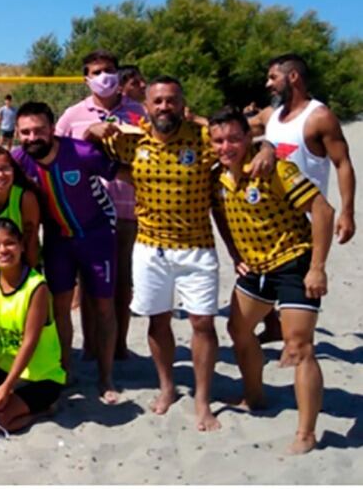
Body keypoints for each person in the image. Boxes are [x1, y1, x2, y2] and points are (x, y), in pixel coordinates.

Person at [85, 76, 275, 431]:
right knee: (157, 321)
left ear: (182, 103)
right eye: (157, 101)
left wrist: (268, 150)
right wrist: (95, 130)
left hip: (197, 249)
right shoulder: (131, 141)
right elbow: (87, 149)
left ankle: (203, 400)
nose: (164, 107)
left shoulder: (204, 140)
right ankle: (167, 386)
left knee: (202, 323)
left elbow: (251, 143)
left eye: (171, 100)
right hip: (150, 249)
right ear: (146, 106)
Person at [208, 107, 334, 454]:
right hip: (256, 267)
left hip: (294, 262)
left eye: (234, 138)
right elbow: (220, 216)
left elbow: (323, 210)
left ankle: (306, 433)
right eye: (219, 140)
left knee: (300, 347)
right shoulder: (216, 176)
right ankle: (254, 396)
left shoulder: (274, 167)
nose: (226, 145)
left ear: (249, 138)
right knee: (238, 330)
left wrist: (317, 267)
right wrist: (236, 255)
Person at [12, 101, 120, 402]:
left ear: (52, 129)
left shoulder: (82, 152)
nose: (33, 137)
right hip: (57, 241)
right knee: (60, 307)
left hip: (97, 236)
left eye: (39, 130)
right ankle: (66, 369)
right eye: (26, 132)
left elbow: (122, 173)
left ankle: (106, 376)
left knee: (103, 307)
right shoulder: (19, 160)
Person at [248, 53, 356, 343]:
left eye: (273, 77)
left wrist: (347, 212)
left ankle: (295, 343)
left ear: (292, 77)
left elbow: (343, 163)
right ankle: (273, 328)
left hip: (307, 219)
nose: (268, 84)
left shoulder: (319, 117)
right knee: (264, 274)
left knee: (295, 286)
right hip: (271, 218)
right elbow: (242, 127)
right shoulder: (272, 115)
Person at [56, 50, 145, 360]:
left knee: (122, 283)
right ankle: (91, 347)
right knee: (90, 284)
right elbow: (57, 155)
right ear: (86, 78)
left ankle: (119, 346)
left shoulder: (138, 112)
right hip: (87, 211)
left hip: (129, 208)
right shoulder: (73, 115)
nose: (104, 76)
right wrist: (87, 135)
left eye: (109, 70)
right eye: (97, 71)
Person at [0, 218, 66, 433]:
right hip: (2, 365)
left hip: (39, 376)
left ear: (20, 245)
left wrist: (7, 387)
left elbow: (29, 342)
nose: (3, 250)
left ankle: (43, 410)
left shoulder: (36, 287)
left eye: (9, 243)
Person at [0, 145, 40, 269]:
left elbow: (31, 240)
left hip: (19, 267)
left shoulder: (25, 197)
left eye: (5, 168)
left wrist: (28, 275)